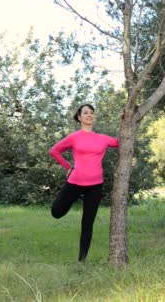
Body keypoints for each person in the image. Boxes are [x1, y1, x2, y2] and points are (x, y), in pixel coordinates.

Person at [48, 104, 119, 262]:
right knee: (56, 212)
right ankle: (74, 198)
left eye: (92, 113)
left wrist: (126, 120)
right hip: (75, 182)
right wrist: (68, 167)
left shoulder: (102, 139)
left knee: (88, 223)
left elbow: (122, 142)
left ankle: (82, 260)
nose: (89, 115)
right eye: (85, 113)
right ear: (79, 117)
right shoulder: (74, 137)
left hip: (95, 185)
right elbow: (54, 151)